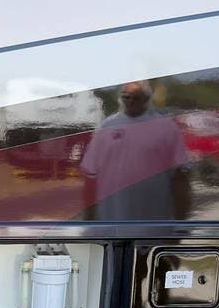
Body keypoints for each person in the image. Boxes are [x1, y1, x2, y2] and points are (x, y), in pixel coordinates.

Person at [79, 81, 191, 220]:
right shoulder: (107, 126)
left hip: (154, 224)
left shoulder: (166, 127)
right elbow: (91, 177)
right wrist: (89, 219)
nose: (131, 101)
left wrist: (180, 224)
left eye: (136, 98)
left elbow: (180, 177)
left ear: (146, 99)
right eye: (126, 97)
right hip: (112, 223)